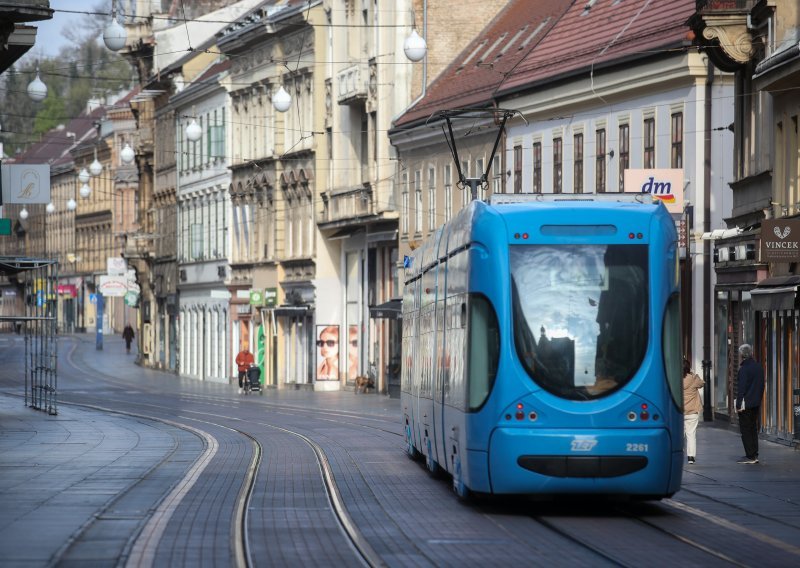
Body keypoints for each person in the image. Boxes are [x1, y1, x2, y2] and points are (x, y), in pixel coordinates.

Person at [735, 343, 765, 464]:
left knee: (745, 429)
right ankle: (755, 454)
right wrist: (758, 399)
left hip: (745, 404)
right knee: (753, 428)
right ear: (751, 353)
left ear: (742, 355)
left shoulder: (744, 369)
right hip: (756, 403)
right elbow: (762, 385)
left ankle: (750, 456)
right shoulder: (758, 367)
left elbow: (741, 389)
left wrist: (738, 404)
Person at [682, 358, 704, 465]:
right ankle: (691, 457)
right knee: (691, 434)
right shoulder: (694, 379)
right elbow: (702, 383)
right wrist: (693, 373)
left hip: (679, 412)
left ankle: (678, 453)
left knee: (680, 435)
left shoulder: (675, 379)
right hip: (692, 412)